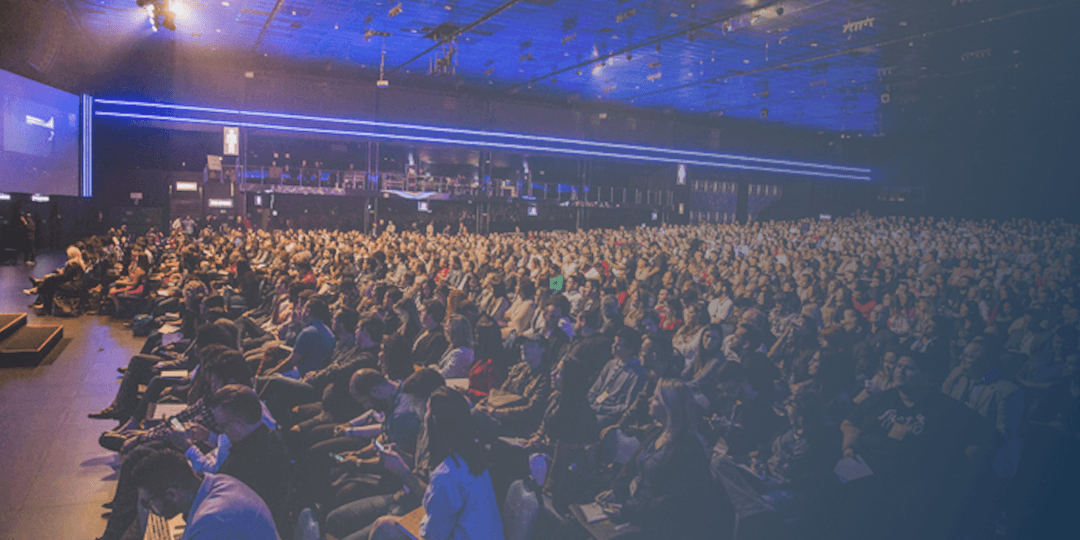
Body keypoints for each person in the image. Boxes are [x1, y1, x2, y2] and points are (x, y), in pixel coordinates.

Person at [365, 387, 505, 540]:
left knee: (383, 527)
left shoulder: (445, 475)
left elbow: (433, 535)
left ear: (434, 422)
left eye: (427, 410)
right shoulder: (474, 458)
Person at [594, 379, 721, 540]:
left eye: (655, 399)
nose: (649, 401)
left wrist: (628, 510)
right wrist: (614, 493)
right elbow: (631, 466)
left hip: (659, 524)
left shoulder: (689, 448)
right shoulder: (655, 433)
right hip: (637, 510)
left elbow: (675, 500)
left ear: (670, 407)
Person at [132, 449, 280, 540]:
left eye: (148, 503)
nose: (151, 510)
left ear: (171, 494)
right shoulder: (221, 481)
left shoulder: (210, 520)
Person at [587, 326, 647, 428]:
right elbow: (596, 388)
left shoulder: (636, 373)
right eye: (614, 342)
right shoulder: (611, 364)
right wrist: (588, 403)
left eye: (619, 345)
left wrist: (602, 408)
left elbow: (627, 405)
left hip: (610, 415)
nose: (613, 346)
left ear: (630, 350)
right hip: (596, 407)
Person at [26, 245, 85, 314]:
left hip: (73, 287)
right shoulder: (78, 263)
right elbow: (67, 275)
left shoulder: (73, 264)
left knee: (49, 282)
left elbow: (64, 277)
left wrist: (50, 276)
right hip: (75, 285)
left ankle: (39, 290)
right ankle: (39, 290)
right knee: (50, 281)